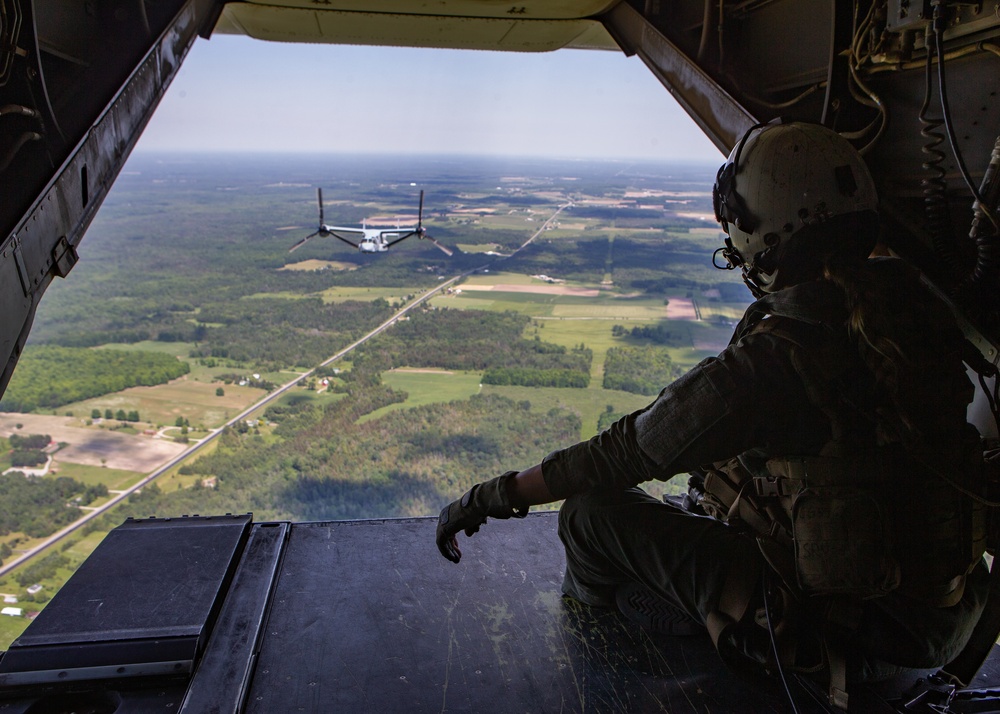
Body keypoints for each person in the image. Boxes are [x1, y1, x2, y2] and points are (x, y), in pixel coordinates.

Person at [434, 121, 989, 707]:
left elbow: (626, 452)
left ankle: (611, 660)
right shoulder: (919, 313)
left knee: (587, 517)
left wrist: (493, 495)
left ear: (770, 226)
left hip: (846, 639)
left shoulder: (777, 359)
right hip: (945, 618)